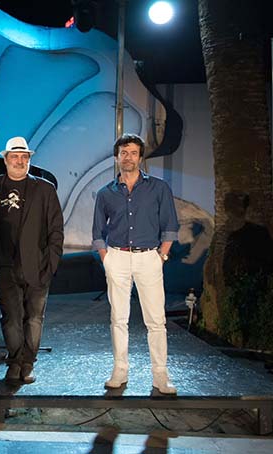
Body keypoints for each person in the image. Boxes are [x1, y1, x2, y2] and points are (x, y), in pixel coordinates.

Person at [0, 136, 64, 384]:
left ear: (29, 160)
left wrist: (51, 264)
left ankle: (28, 363)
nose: (19, 161)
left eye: (24, 157)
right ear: (5, 159)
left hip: (38, 266)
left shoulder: (45, 189)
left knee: (34, 319)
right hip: (5, 266)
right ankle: (14, 362)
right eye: (15, 156)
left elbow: (56, 230)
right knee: (10, 319)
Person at [92, 133, 179, 394]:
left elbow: (170, 225)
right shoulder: (105, 193)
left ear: (140, 157)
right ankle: (120, 370)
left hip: (149, 257)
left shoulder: (159, 188)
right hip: (117, 257)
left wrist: (161, 256)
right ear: (116, 157)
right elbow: (98, 231)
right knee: (118, 318)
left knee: (156, 320)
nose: (128, 157)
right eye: (123, 153)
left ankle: (160, 375)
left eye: (133, 153)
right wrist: (107, 259)